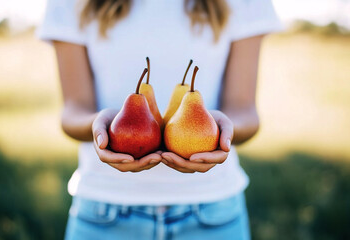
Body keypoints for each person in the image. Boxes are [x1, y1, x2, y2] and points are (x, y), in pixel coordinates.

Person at [37, 0, 282, 239]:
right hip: (103, 212)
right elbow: (72, 111)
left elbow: (245, 112)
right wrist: (99, 126)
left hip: (214, 212)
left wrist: (221, 131)